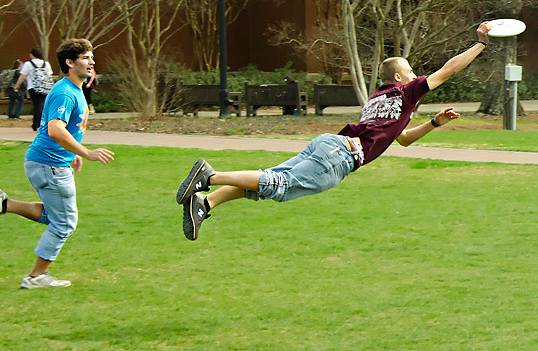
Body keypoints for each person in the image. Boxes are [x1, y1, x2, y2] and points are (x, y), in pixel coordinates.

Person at [175, 22, 493, 241]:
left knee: (266, 178)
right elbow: (448, 70)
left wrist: (435, 123)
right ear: (399, 76)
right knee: (280, 185)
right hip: (340, 157)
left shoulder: (378, 98)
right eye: (410, 70)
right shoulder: (406, 93)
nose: (416, 75)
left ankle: (206, 204)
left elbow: (404, 139)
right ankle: (209, 176)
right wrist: (480, 43)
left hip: (330, 144)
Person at [0, 38, 115, 289]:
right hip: (49, 166)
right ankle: (35, 277)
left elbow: (62, 131)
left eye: (91, 57)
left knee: (56, 217)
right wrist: (85, 152)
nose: (91, 61)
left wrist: (70, 152)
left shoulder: (74, 89)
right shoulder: (65, 91)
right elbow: (54, 129)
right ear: (69, 62)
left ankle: (4, 204)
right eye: (85, 57)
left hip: (45, 162)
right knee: (64, 224)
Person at [14, 48, 54, 131]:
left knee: (37, 105)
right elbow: (49, 76)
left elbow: (23, 76)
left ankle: (36, 124)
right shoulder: (46, 63)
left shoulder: (28, 64)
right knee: (43, 105)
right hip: (45, 87)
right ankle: (43, 123)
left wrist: (17, 86)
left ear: (32, 55)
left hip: (33, 87)